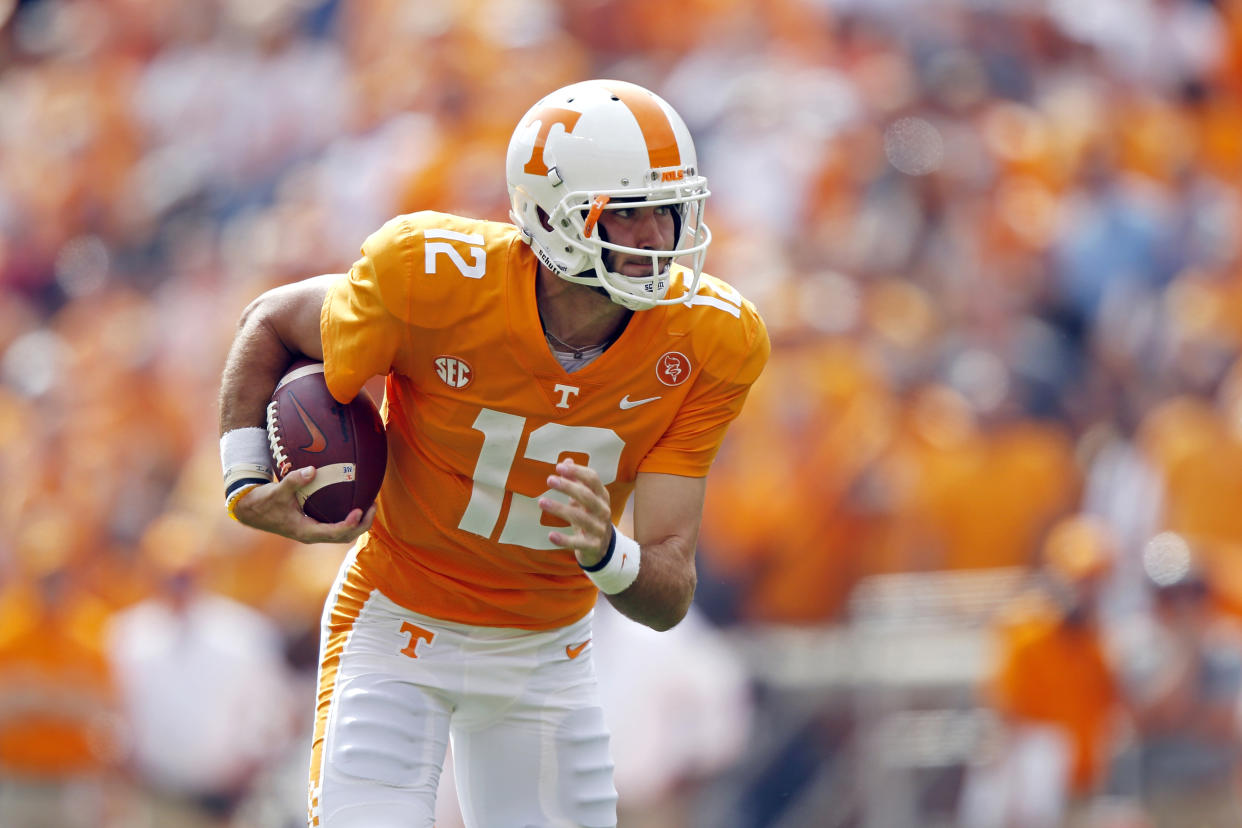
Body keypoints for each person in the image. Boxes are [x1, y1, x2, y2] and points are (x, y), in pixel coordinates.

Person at [216, 79, 769, 828]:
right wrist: (243, 474)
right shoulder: (432, 277)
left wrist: (606, 550)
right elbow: (273, 319)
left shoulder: (710, 341)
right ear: (550, 216)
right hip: (398, 620)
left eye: (666, 212)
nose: (654, 240)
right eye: (626, 213)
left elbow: (668, 592)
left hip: (546, 654)